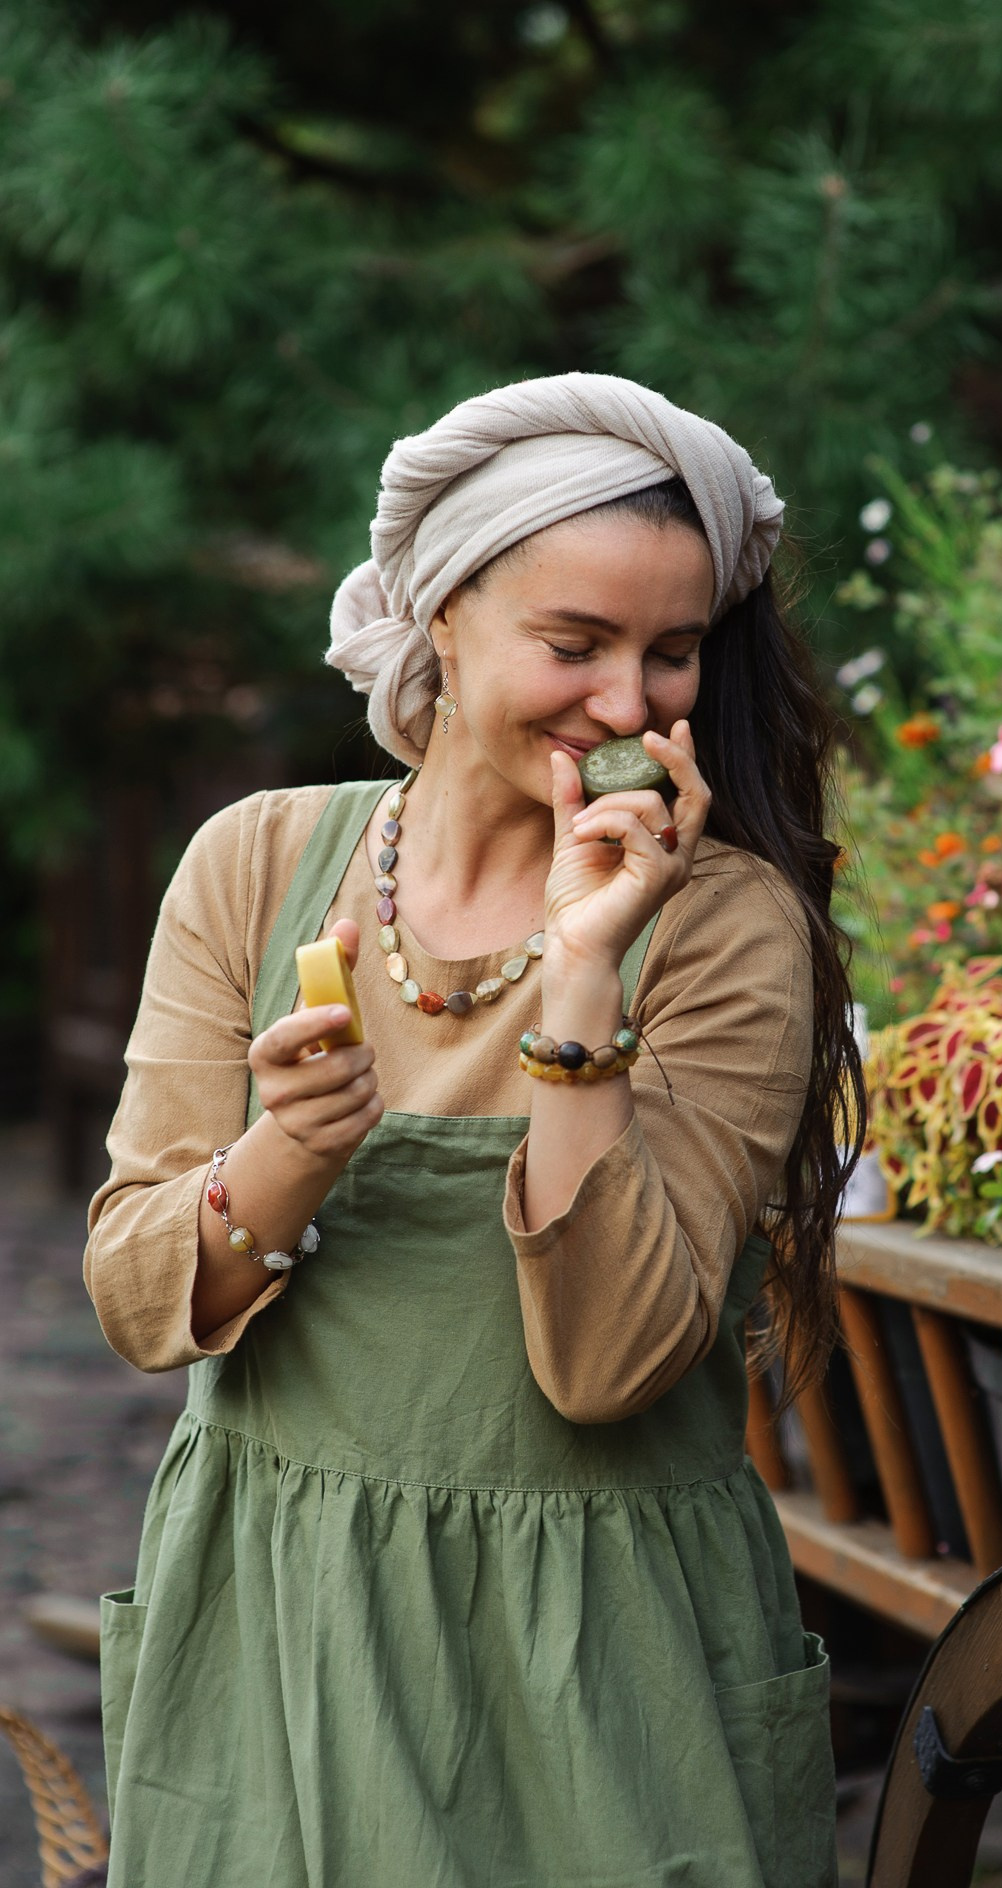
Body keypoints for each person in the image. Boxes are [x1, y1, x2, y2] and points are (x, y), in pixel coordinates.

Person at [85, 372, 864, 1887]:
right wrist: (289, 1153)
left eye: (673, 653)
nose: (630, 708)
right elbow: (134, 1301)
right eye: (573, 645)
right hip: (277, 1623)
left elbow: (610, 1365)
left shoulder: (723, 931)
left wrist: (583, 982)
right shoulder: (254, 864)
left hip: (600, 1657)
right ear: (441, 616)